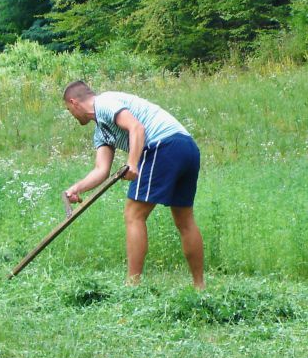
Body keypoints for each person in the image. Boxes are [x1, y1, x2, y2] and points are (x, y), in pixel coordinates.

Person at [63, 81, 205, 289]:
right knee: (184, 220)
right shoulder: (101, 131)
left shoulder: (105, 103)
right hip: (186, 147)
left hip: (163, 145)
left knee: (134, 215)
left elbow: (136, 127)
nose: (72, 115)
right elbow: (101, 170)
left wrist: (132, 162)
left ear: (74, 103)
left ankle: (132, 286)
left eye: (69, 110)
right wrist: (77, 188)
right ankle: (199, 287)